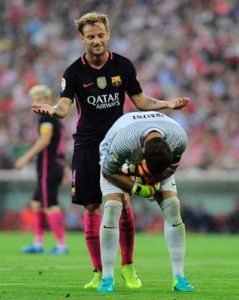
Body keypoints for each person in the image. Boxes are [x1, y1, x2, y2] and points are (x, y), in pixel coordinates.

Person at [31, 12, 189, 288]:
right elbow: (64, 106)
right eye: (90, 36)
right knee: (91, 207)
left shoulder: (123, 66)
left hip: (121, 143)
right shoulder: (74, 72)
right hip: (88, 144)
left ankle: (128, 267)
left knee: (122, 203)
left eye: (100, 35)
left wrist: (168, 104)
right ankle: (98, 272)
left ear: (108, 35)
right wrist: (53, 111)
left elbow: (140, 101)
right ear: (82, 39)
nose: (96, 40)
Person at [98, 111, 195, 292]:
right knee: (112, 207)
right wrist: (138, 188)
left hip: (152, 160)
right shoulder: (123, 142)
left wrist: (154, 181)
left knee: (173, 207)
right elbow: (108, 171)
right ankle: (107, 278)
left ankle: (179, 277)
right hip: (118, 160)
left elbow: (171, 167)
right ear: (142, 151)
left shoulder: (179, 139)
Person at [15, 85, 68, 255]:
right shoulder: (56, 119)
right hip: (55, 164)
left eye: (39, 99)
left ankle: (61, 245)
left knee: (50, 204)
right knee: (37, 204)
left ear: (47, 100)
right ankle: (37, 243)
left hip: (48, 166)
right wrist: (65, 167)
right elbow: (59, 145)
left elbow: (45, 140)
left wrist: (25, 157)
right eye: (34, 100)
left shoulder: (46, 118)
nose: (36, 103)